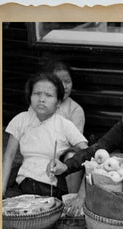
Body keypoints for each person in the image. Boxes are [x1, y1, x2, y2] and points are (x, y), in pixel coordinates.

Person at [2, 72, 88, 199]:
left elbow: (85, 150)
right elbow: (8, 157)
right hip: (23, 183)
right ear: (30, 97)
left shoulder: (64, 124)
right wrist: (1, 189)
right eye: (37, 94)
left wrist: (65, 162)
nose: (41, 99)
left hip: (51, 187)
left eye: (48, 95)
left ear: (58, 102)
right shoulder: (21, 120)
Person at [44, 60, 87, 193]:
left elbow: (76, 143)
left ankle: (71, 198)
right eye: (59, 82)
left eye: (67, 81)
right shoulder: (41, 105)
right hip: (44, 149)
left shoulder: (75, 110)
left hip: (64, 153)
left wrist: (57, 154)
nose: (65, 86)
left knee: (72, 155)